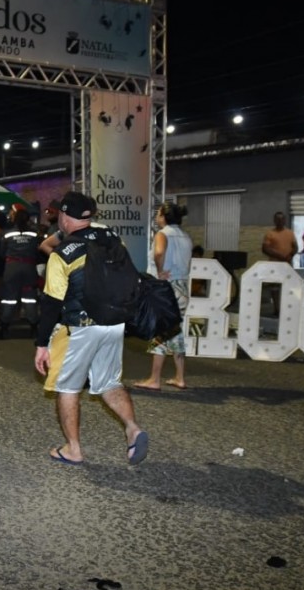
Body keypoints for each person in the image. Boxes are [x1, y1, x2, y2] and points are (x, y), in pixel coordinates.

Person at [34, 191, 149, 467]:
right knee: (109, 383)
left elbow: (51, 304)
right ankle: (133, 429)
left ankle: (73, 449)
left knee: (68, 387)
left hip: (82, 327)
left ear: (63, 216)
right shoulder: (113, 241)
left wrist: (41, 345)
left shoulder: (62, 255)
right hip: (113, 324)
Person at [134, 202, 193, 391]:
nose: (156, 217)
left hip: (166, 289)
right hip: (182, 287)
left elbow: (159, 252)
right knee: (174, 330)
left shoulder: (163, 234)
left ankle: (155, 379)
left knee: (160, 331)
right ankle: (179, 377)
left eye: (158, 214)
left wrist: (160, 271)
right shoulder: (186, 236)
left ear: (165, 217)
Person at [0, 203, 40, 339]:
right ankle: (34, 327)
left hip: (12, 267)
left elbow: (1, 253)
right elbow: (36, 250)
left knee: (9, 298)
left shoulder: (7, 233)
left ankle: (4, 327)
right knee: (30, 299)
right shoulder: (34, 233)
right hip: (29, 268)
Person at [261, 211, 297, 314]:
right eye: (278, 219)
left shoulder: (290, 233)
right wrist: (280, 256)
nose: (280, 221)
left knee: (288, 286)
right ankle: (277, 309)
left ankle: (287, 308)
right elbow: (265, 249)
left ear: (285, 220)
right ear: (274, 220)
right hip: (274, 266)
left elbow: (295, 247)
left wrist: (290, 255)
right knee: (275, 288)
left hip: (287, 265)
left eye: (282, 219)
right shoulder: (270, 234)